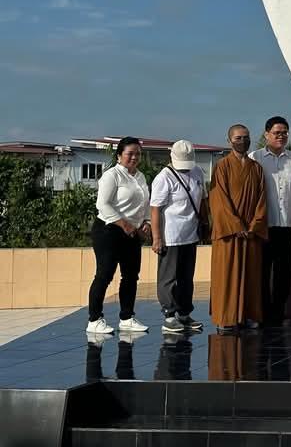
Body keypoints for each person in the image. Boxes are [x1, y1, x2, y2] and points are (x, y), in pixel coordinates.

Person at [86, 136, 151, 335]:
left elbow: (145, 203)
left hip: (132, 232)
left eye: (137, 154)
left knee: (131, 275)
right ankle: (94, 319)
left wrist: (146, 222)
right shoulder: (112, 176)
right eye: (130, 153)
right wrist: (125, 225)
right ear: (119, 155)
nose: (134, 157)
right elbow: (102, 205)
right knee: (104, 275)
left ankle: (127, 317)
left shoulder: (139, 176)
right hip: (109, 230)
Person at [208, 124, 268, 331]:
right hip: (229, 234)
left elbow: (262, 201)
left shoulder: (256, 168)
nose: (243, 141)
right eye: (238, 138)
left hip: (250, 233)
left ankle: (249, 315)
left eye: (246, 137)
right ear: (229, 141)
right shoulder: (222, 166)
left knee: (251, 275)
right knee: (226, 275)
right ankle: (226, 318)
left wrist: (254, 225)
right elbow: (218, 200)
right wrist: (235, 224)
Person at [149, 140, 207, 334]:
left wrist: (205, 224)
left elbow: (203, 200)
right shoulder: (164, 178)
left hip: (190, 235)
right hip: (170, 236)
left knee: (186, 277)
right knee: (168, 277)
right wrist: (157, 238)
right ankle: (169, 315)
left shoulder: (198, 172)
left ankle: (184, 313)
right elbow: (155, 209)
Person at [251, 116, 291, 326]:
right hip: (265, 223)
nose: (281, 136)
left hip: (287, 223)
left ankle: (278, 313)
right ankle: (262, 313)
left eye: (284, 133)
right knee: (263, 271)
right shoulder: (255, 158)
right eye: (276, 133)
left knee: (284, 271)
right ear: (266, 134)